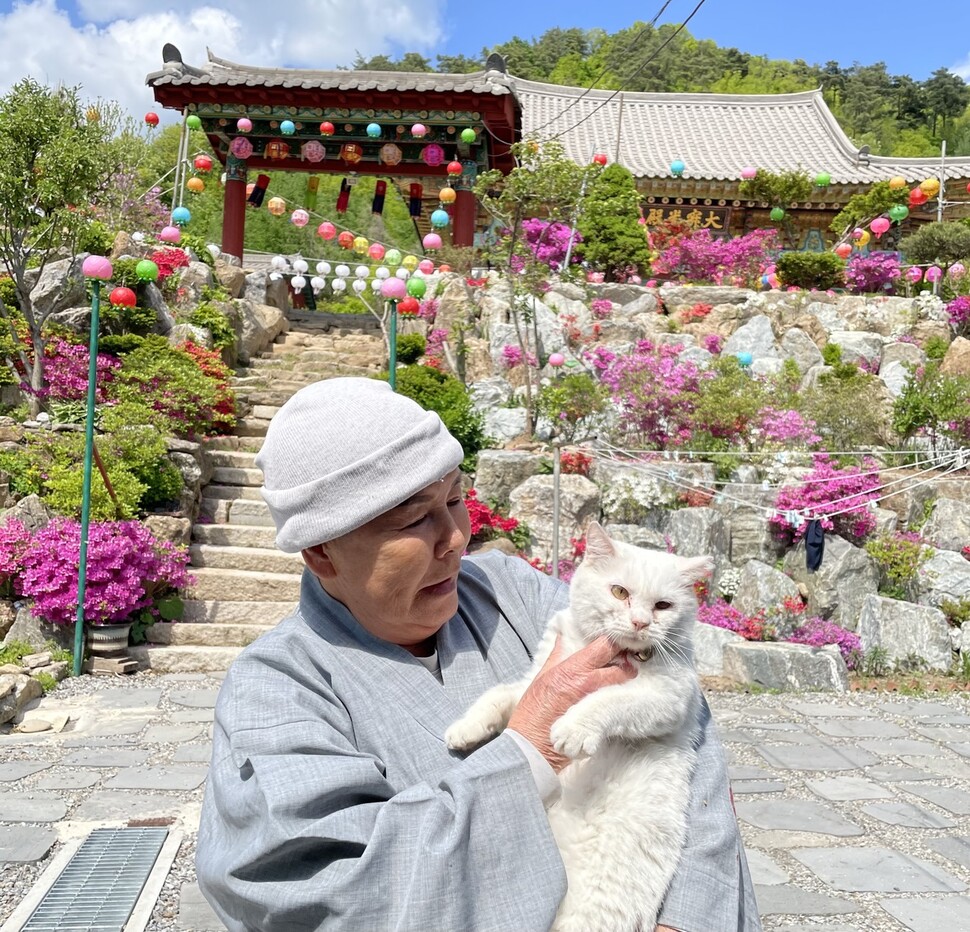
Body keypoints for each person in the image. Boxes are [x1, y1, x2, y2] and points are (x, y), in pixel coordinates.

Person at [196, 377, 760, 931]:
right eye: (416, 518)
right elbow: (328, 892)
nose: (457, 538)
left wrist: (685, 917)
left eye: (456, 499)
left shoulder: (515, 592)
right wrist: (532, 748)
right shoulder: (274, 691)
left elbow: (687, 729)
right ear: (321, 552)